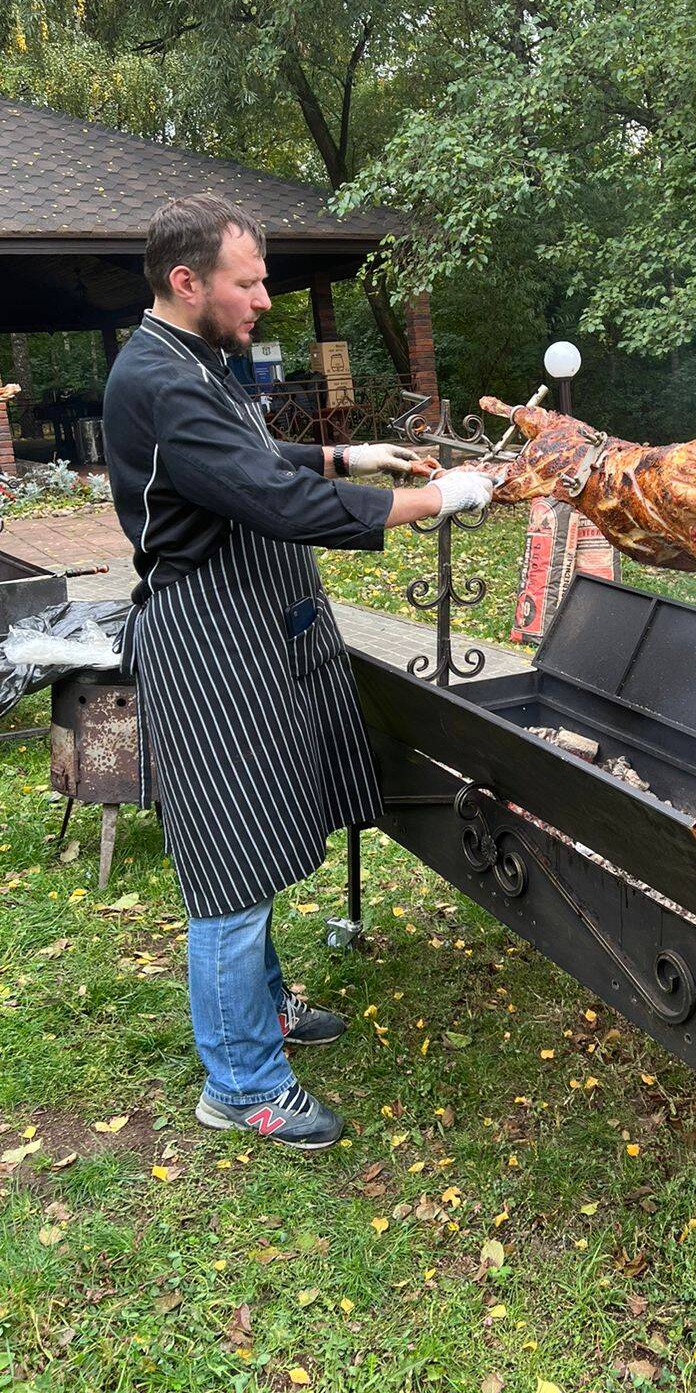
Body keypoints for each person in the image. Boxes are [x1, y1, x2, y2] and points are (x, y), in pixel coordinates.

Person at [102, 193, 493, 1151]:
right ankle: (240, 1084)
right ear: (186, 281)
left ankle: (264, 1010)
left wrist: (342, 451)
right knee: (231, 866)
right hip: (210, 641)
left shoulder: (192, 359)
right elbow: (275, 501)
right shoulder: (157, 377)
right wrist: (437, 498)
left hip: (254, 633)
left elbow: (244, 452)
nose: (265, 299)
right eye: (248, 282)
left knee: (261, 836)